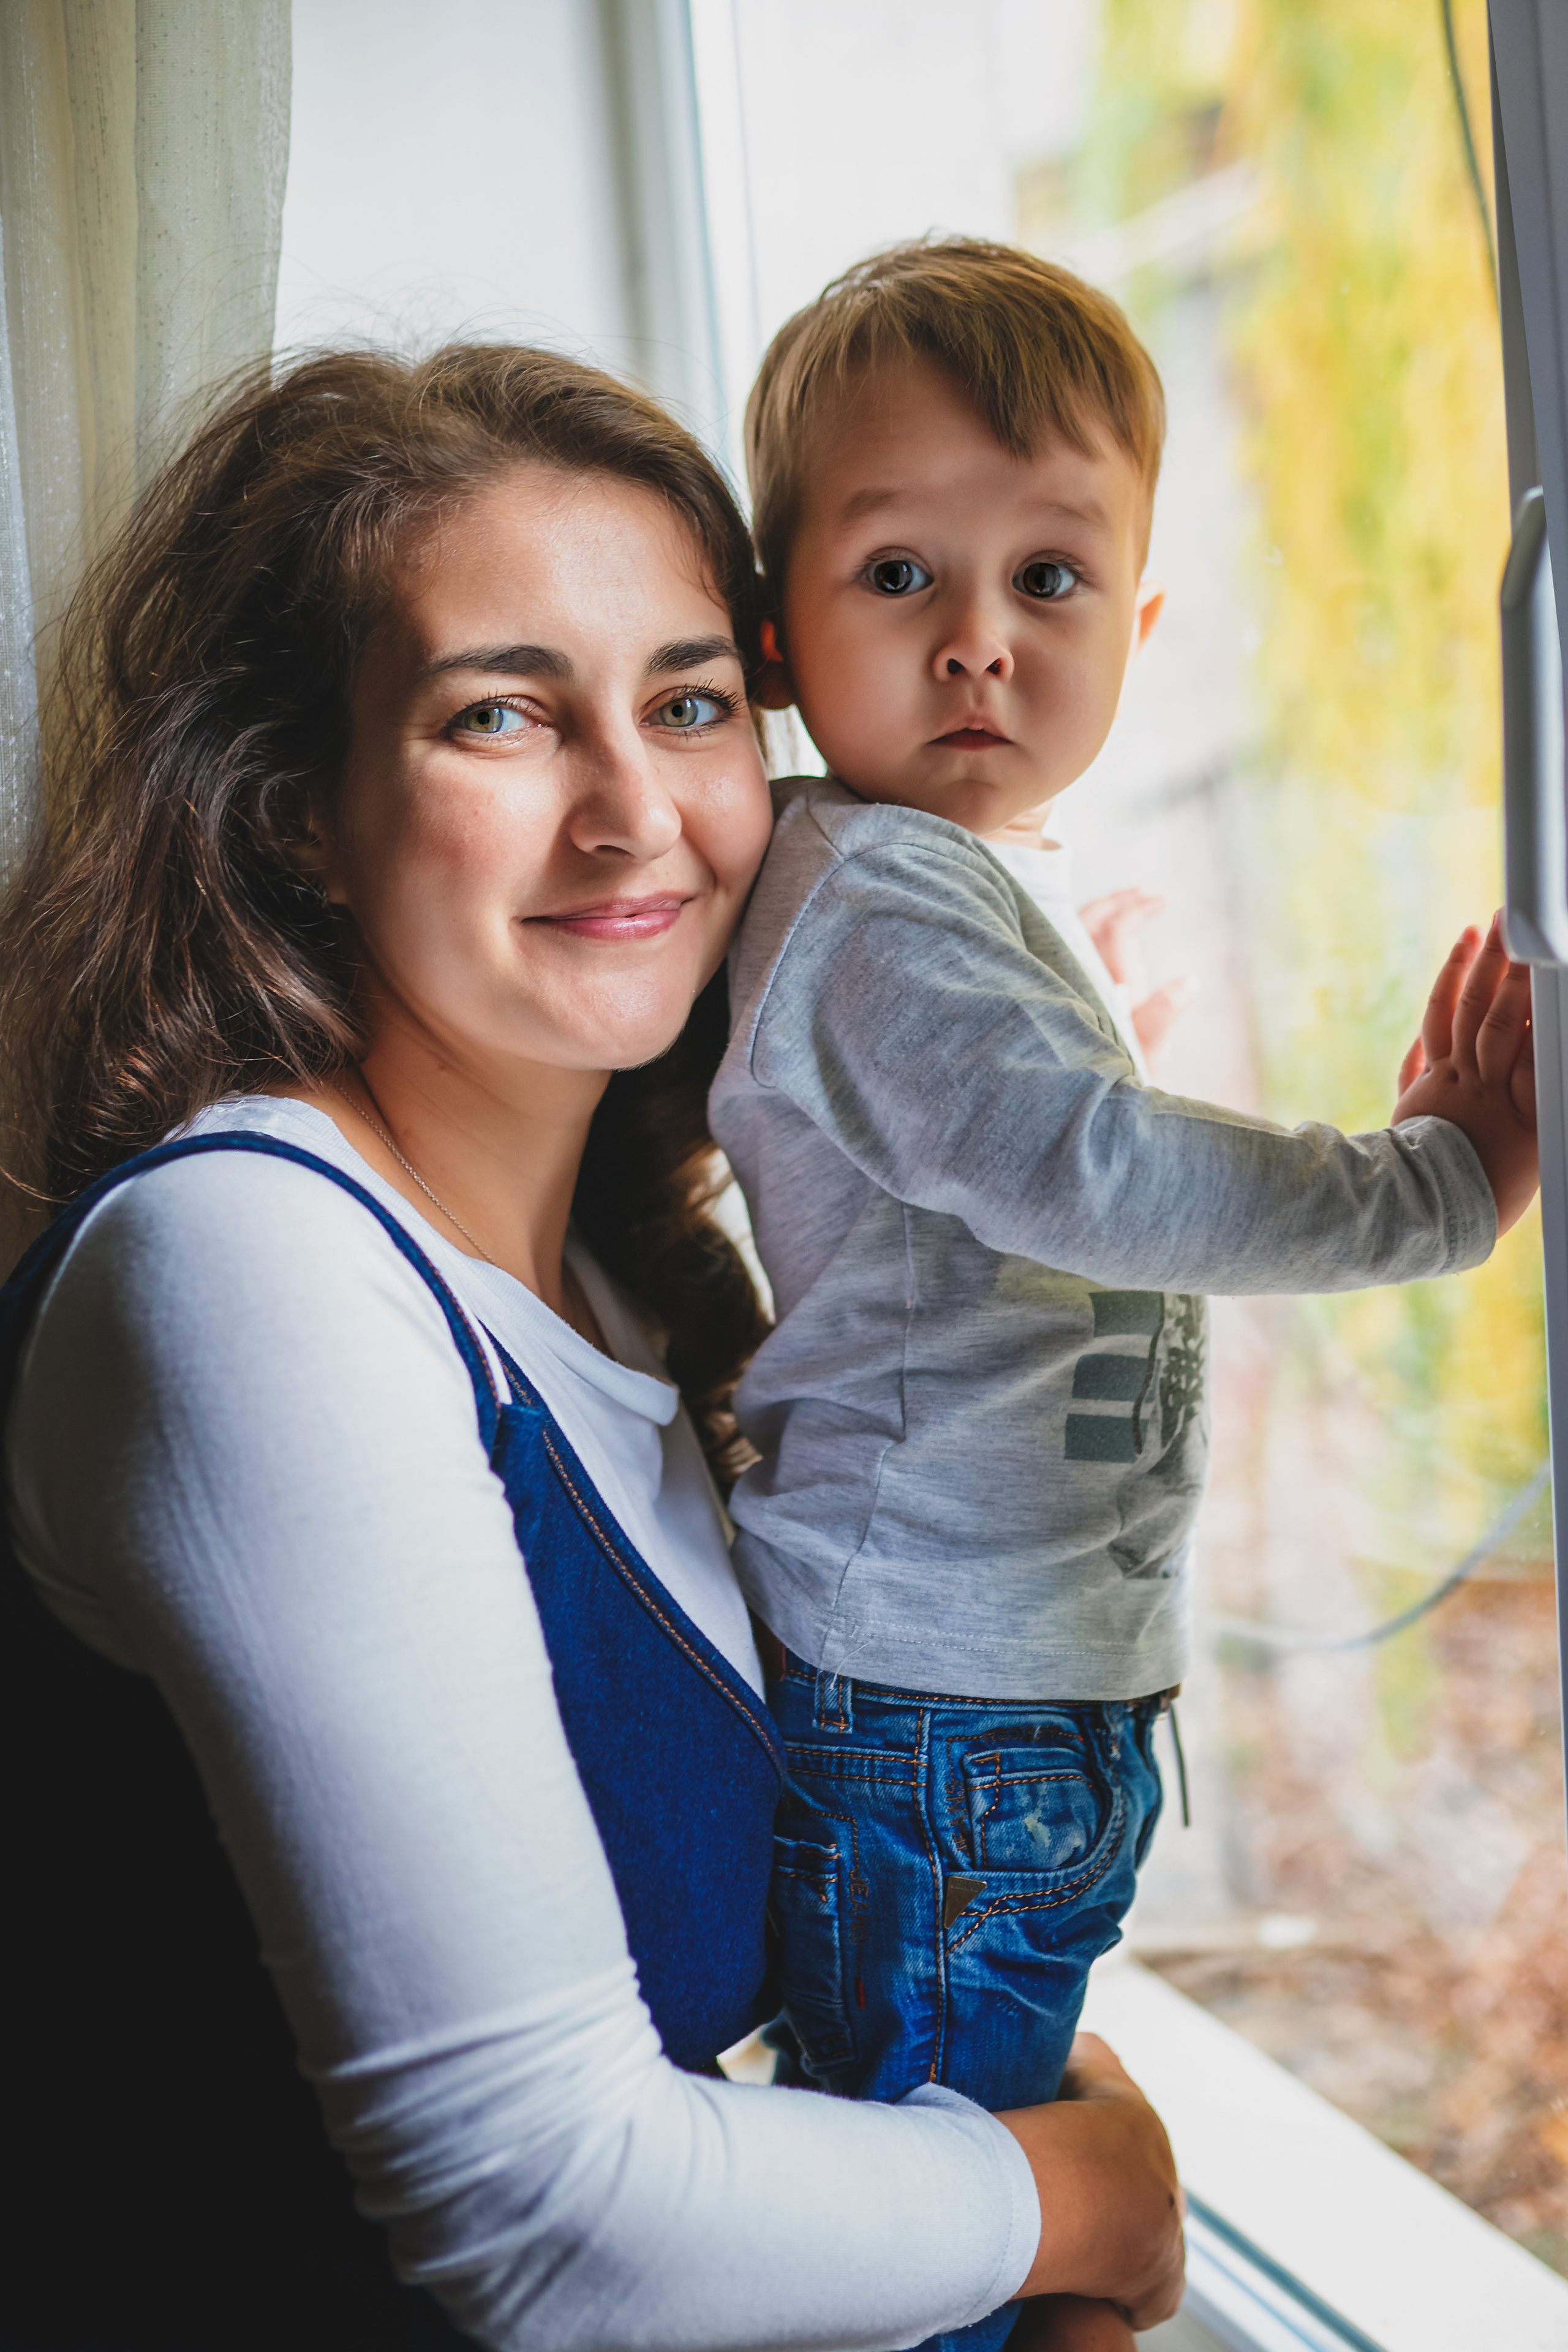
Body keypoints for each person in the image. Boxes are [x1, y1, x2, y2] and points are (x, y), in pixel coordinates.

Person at [0, 344, 1186, 2352]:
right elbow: (546, 2219)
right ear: (298, 811)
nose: (636, 815)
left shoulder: (645, 1278)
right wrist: (1084, 2209)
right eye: (503, 715)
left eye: (691, 703)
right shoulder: (245, 1263)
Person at [710, 239, 1540, 2352]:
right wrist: (1434, 1186)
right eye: (901, 574)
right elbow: (1085, 1172)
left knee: (975, 2193)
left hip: (990, 1694)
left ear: (1139, 627)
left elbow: (1003, 1170)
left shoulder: (950, 887)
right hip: (942, 1710)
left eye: (1051, 578)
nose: (980, 640)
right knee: (939, 2253)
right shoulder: (876, 894)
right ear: (779, 628)